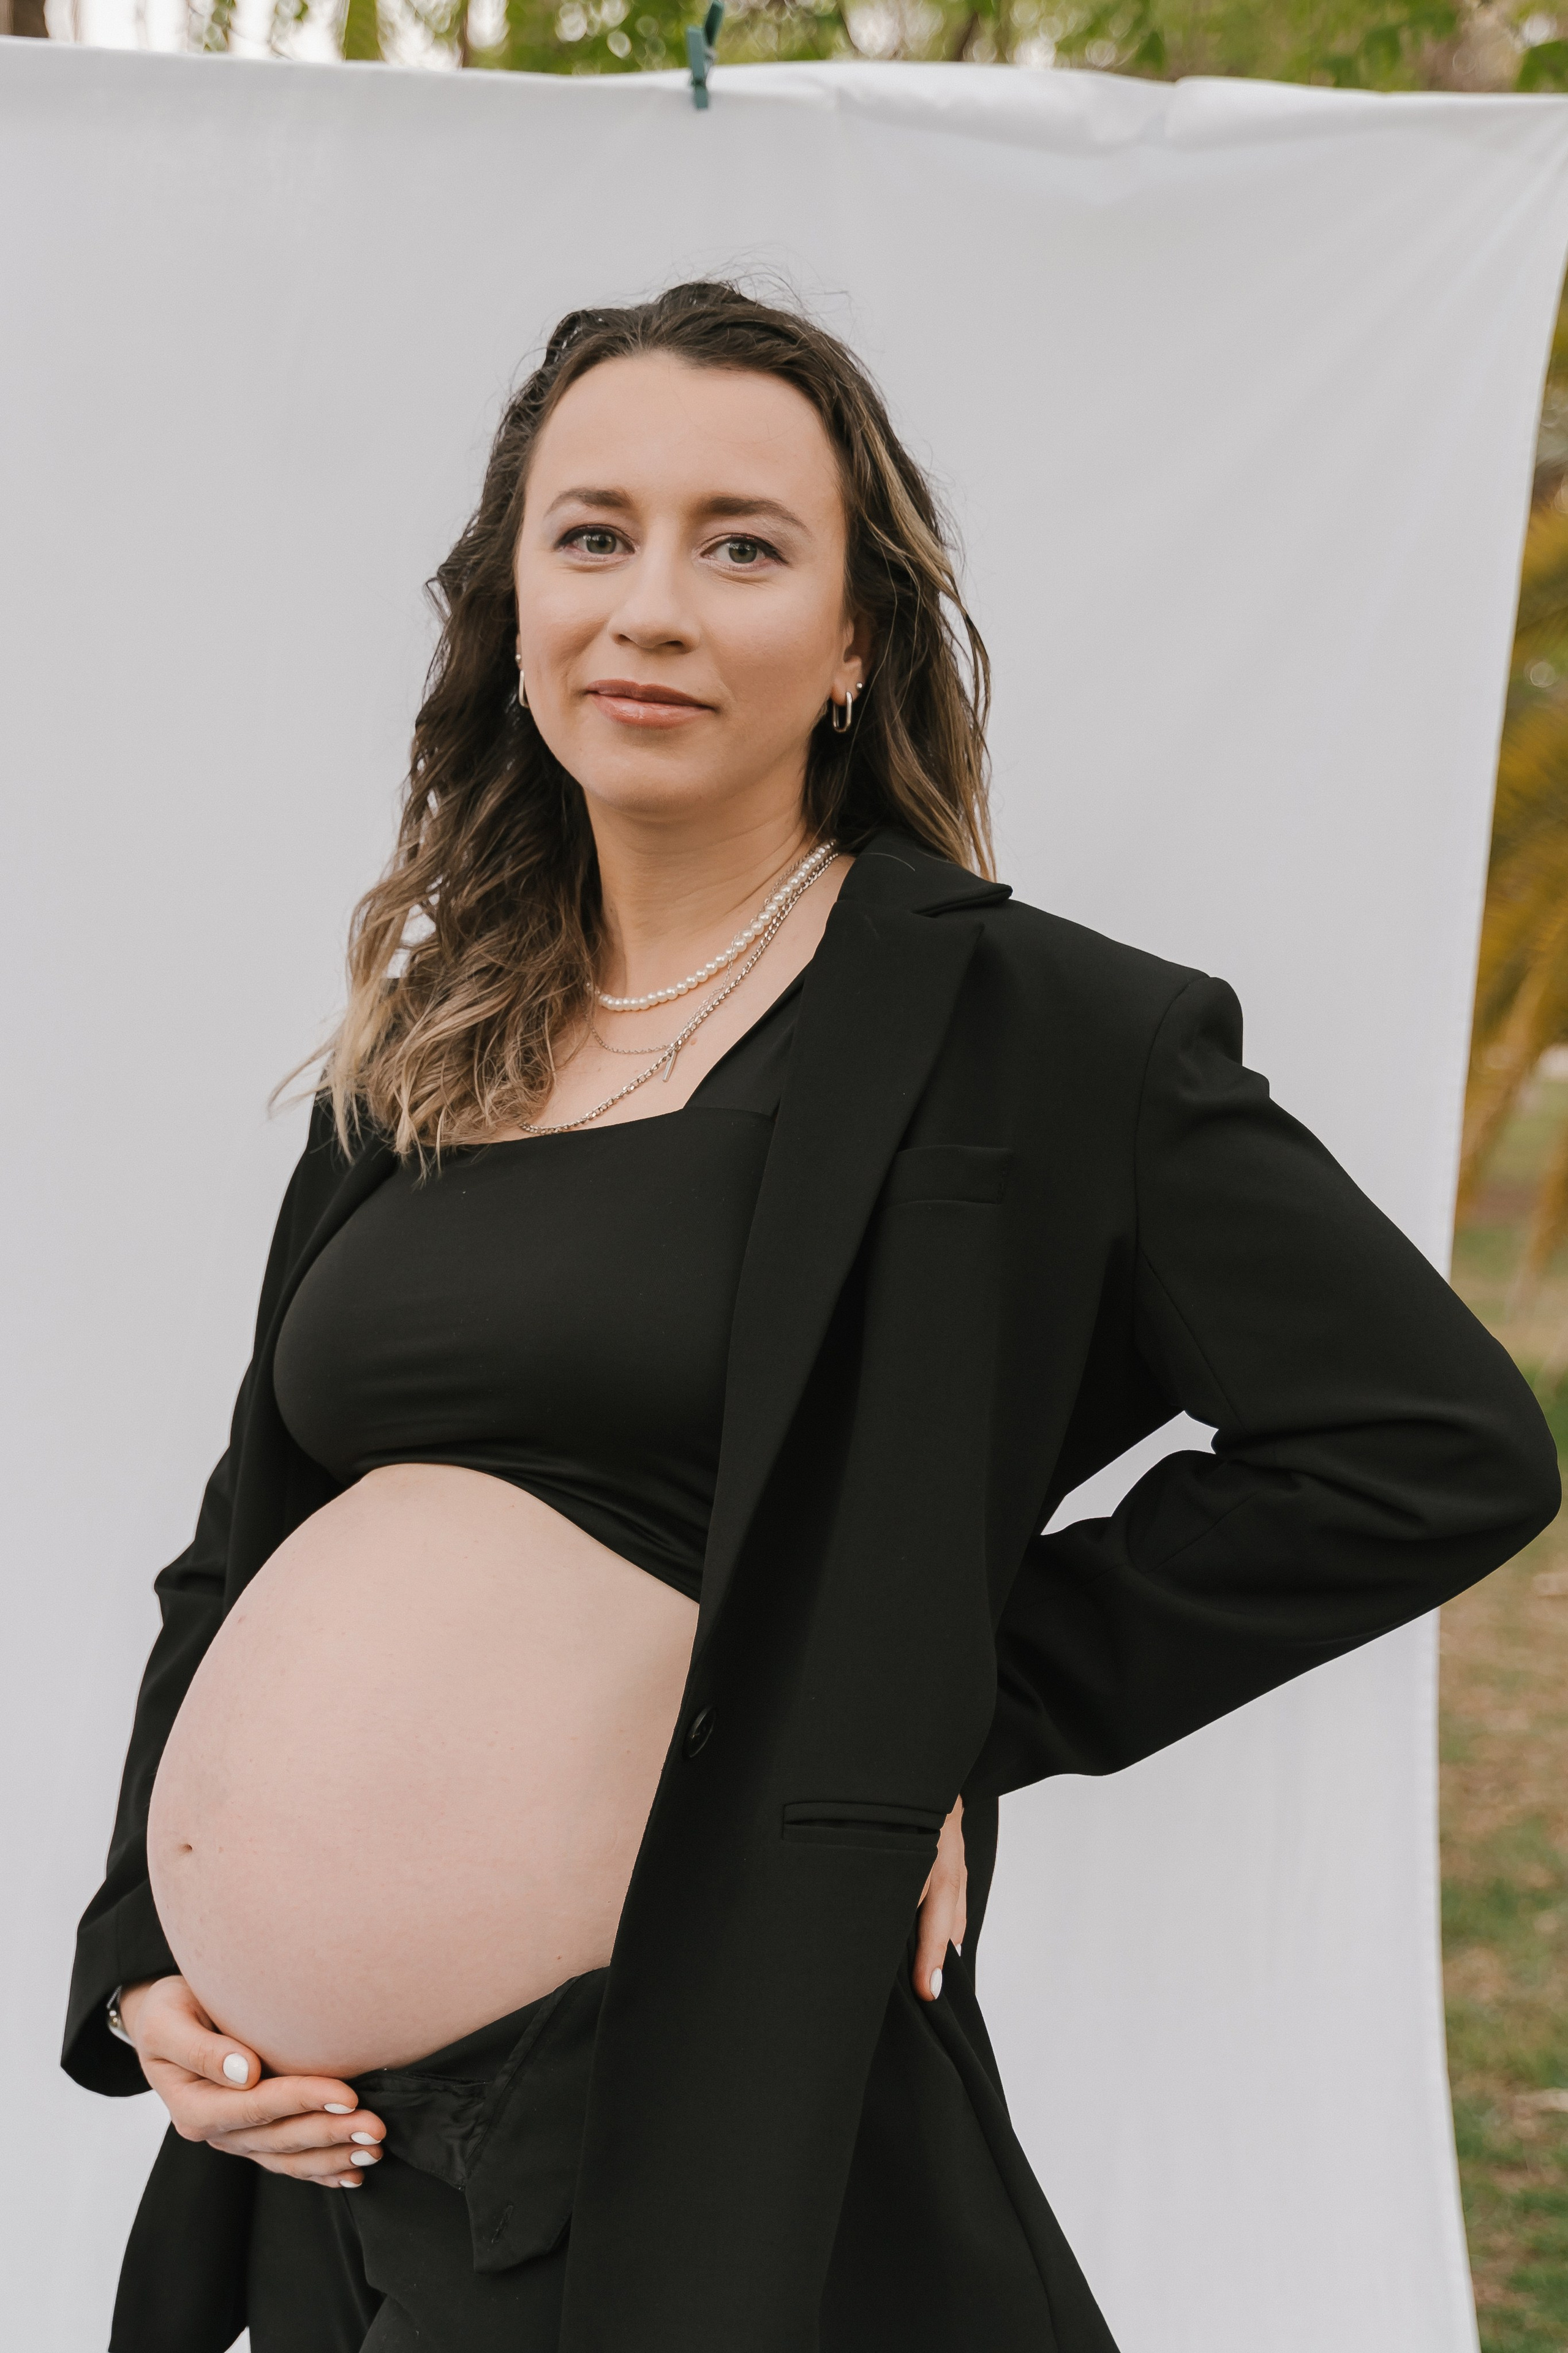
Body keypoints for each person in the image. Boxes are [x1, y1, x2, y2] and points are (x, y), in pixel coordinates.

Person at [64, 280, 1558, 2353]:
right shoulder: (425, 1045)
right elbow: (240, 1549)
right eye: (591, 535)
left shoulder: (1034, 1033)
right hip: (309, 2160)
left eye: (741, 544)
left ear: (857, 642)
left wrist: (919, 1708)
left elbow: (1430, 1445)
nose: (651, 605)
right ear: (510, 605)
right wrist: (150, 1959)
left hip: (657, 2113)